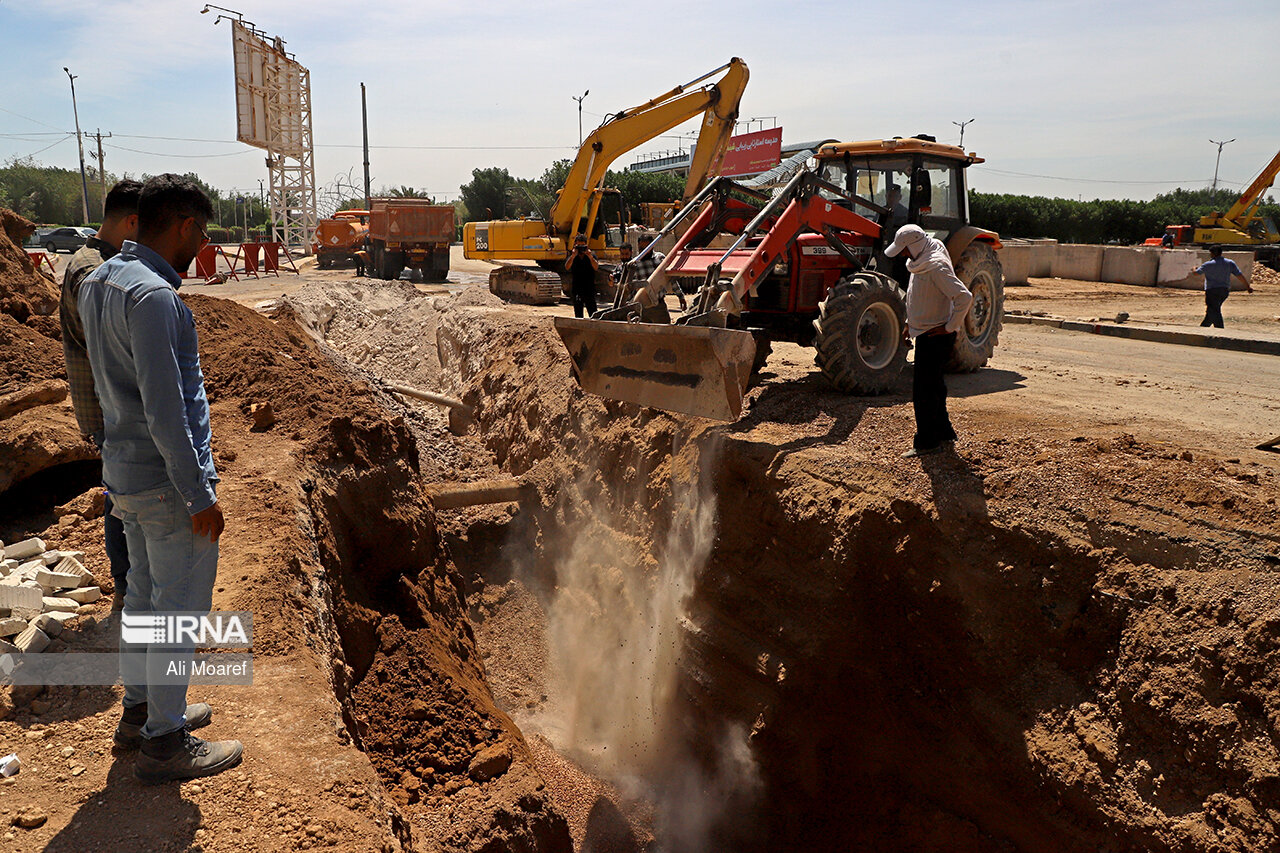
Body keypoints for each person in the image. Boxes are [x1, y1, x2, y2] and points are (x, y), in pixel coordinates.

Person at [78, 173, 242, 783]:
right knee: (176, 610)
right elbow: (166, 408)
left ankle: (142, 710)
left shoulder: (99, 283)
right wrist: (199, 494)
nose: (201, 245)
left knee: (145, 600)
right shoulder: (154, 298)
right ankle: (165, 742)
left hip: (124, 473)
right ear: (182, 226)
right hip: (166, 483)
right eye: (200, 231)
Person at [59, 180, 142, 612]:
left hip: (110, 405)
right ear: (131, 221)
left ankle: (132, 580)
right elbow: (110, 347)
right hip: (109, 408)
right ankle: (128, 583)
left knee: (121, 493)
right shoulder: (92, 271)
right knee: (120, 499)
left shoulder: (99, 262)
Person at [884, 224, 973, 458]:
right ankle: (944, 432)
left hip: (935, 335)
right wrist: (908, 324)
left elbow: (964, 297)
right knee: (935, 386)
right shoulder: (924, 255)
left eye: (904, 250)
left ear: (914, 245)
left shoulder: (935, 266)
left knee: (923, 391)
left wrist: (949, 327)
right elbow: (916, 294)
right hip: (924, 330)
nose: (903, 254)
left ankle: (927, 442)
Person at [1193, 245, 1251, 328]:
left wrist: (1194, 269)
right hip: (1224, 290)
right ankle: (1204, 327)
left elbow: (1196, 273)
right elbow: (1239, 275)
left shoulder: (1208, 264)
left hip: (1212, 290)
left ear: (1212, 254)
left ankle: (1219, 329)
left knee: (1214, 309)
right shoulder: (1229, 263)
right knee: (1213, 309)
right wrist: (1247, 286)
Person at [631, 234, 686, 310]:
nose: (644, 251)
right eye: (641, 248)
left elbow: (670, 279)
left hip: (659, 305)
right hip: (641, 306)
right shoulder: (634, 263)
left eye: (646, 248)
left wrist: (680, 296)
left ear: (652, 246)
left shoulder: (659, 258)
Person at [566, 233, 599, 318]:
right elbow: (567, 267)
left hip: (589, 289)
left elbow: (596, 267)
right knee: (578, 313)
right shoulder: (572, 256)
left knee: (593, 313)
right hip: (577, 289)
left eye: (582, 246)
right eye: (578, 246)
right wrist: (573, 256)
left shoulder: (591, 255)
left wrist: (590, 256)